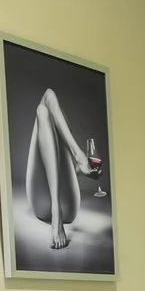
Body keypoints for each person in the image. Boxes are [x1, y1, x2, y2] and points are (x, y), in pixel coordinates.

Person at [23, 88, 102, 250]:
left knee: (43, 107)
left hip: (43, 203)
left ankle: (56, 212)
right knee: (44, 107)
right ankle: (78, 156)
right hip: (68, 205)